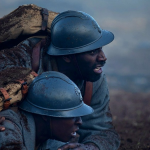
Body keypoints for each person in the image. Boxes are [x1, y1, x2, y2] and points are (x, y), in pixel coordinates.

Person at [0, 10, 120, 150]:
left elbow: (104, 131)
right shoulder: (19, 61)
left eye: (100, 49)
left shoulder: (92, 79)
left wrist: (91, 147)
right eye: (92, 52)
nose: (103, 57)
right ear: (67, 56)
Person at [0, 71, 93, 150]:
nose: (80, 121)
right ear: (45, 115)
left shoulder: (50, 138)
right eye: (72, 115)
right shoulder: (8, 132)